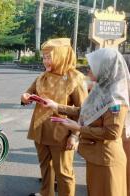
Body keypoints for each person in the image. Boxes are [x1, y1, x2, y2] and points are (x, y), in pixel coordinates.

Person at [43, 48, 129, 196]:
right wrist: (56, 106)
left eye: (92, 66)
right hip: (95, 157)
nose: (88, 70)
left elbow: (112, 133)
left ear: (105, 68)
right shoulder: (101, 91)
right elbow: (84, 111)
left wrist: (79, 129)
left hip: (107, 161)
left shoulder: (116, 98)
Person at [21, 38, 88, 196]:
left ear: (61, 55)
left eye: (49, 57)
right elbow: (29, 93)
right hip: (40, 131)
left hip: (62, 135)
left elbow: (84, 111)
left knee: (64, 173)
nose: (45, 61)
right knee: (46, 170)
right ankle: (46, 194)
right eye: (44, 57)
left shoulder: (75, 78)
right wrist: (25, 98)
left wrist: (75, 136)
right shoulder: (43, 76)